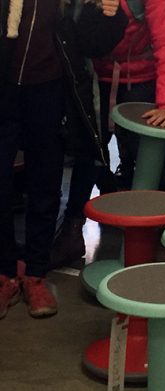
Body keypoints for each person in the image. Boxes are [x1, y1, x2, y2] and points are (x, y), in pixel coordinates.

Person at [0, 0, 126, 319]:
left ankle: (35, 274)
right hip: (4, 87)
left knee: (45, 182)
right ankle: (4, 274)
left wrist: (110, 15)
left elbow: (92, 43)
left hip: (50, 89)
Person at [50, 0, 165, 269]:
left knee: (148, 157)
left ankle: (160, 234)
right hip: (93, 77)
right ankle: (73, 230)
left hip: (142, 80)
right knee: (88, 153)